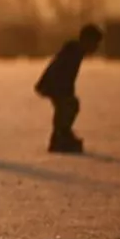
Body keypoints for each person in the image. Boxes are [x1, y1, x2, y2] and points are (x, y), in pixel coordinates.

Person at [34, 24, 102, 154]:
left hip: (56, 86)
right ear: (87, 40)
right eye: (95, 43)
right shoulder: (73, 51)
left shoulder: (76, 51)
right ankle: (60, 137)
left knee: (68, 106)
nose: (96, 47)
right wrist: (62, 90)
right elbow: (60, 71)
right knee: (67, 106)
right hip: (52, 85)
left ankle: (62, 135)